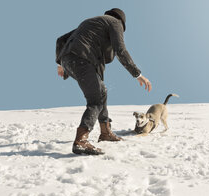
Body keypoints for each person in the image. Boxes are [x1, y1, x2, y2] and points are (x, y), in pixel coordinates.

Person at [56, 8, 152, 155]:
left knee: (101, 92)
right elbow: (120, 50)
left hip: (70, 61)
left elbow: (61, 39)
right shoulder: (115, 23)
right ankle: (81, 141)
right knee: (95, 100)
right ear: (122, 22)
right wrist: (137, 74)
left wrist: (60, 63)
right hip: (82, 59)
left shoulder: (91, 23)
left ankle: (105, 131)